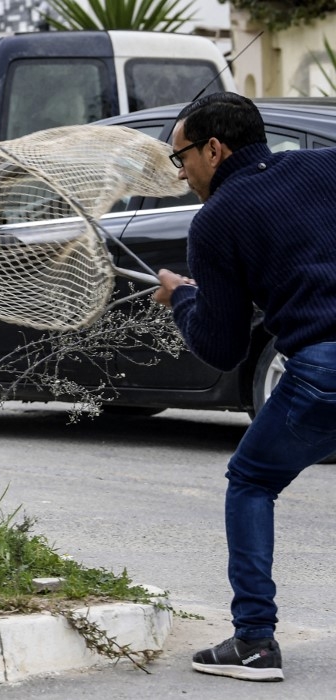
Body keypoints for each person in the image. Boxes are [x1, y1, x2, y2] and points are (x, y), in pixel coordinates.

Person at [152, 91, 336, 682]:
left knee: (251, 481)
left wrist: (182, 298)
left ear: (214, 147)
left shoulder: (216, 221)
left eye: (182, 159)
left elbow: (223, 348)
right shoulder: (322, 165)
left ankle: (255, 642)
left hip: (323, 370)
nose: (182, 175)